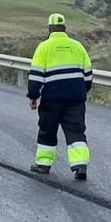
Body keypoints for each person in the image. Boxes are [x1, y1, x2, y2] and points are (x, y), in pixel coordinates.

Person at [27, 12, 93, 180]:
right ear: (65, 28)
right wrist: (81, 91)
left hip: (52, 99)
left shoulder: (44, 47)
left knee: (47, 130)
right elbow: (88, 74)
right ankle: (80, 165)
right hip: (75, 99)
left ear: (49, 29)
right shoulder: (78, 46)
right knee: (76, 131)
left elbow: (36, 76)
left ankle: (43, 164)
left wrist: (33, 95)